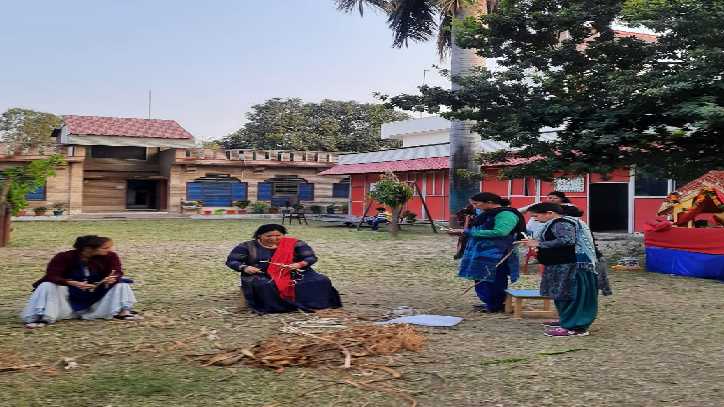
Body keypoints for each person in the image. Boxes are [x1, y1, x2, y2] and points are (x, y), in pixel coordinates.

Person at [21, 235, 139, 328]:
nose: (109, 250)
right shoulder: (64, 257)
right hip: (69, 294)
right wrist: (71, 282)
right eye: (104, 248)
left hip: (97, 293)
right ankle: (42, 316)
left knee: (122, 284)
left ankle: (123, 312)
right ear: (88, 249)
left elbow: (117, 271)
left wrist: (112, 278)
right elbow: (52, 275)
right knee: (46, 285)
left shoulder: (110, 256)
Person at [226, 224, 342, 314]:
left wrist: (300, 264)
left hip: (292, 272)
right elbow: (232, 261)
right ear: (259, 236)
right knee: (266, 285)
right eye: (269, 236)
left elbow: (310, 257)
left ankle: (314, 304)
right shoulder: (246, 246)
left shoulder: (295, 244)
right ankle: (280, 308)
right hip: (261, 274)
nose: (274, 238)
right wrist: (245, 267)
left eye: (278, 235)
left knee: (320, 280)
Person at [521, 203, 599, 337]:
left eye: (536, 216)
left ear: (549, 213)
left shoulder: (561, 223)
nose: (535, 219)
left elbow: (567, 240)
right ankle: (566, 320)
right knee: (562, 294)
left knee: (572, 296)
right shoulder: (560, 223)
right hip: (564, 264)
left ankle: (575, 327)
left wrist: (539, 243)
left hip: (571, 266)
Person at [449, 192, 526, 313]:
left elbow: (501, 232)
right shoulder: (488, 213)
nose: (475, 207)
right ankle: (489, 302)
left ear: (489, 202)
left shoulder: (506, 214)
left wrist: (469, 232)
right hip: (482, 252)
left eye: (476, 203)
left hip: (496, 253)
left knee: (494, 278)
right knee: (481, 276)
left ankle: (497, 304)